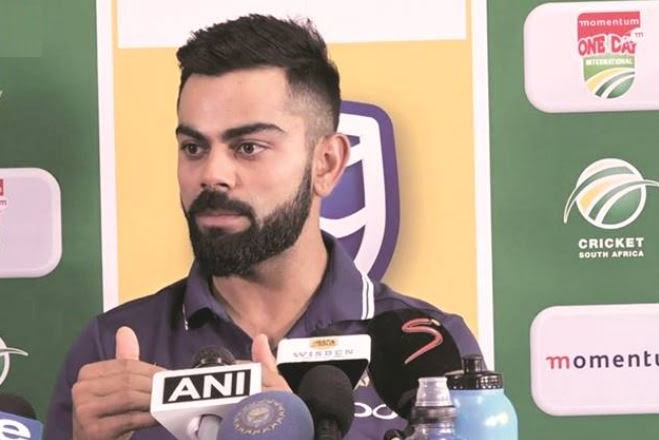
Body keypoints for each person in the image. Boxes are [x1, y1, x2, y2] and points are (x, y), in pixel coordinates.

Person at [45, 14, 481, 440]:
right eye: (194, 147)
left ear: (326, 164)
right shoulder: (112, 352)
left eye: (248, 147)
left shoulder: (428, 352)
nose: (212, 174)